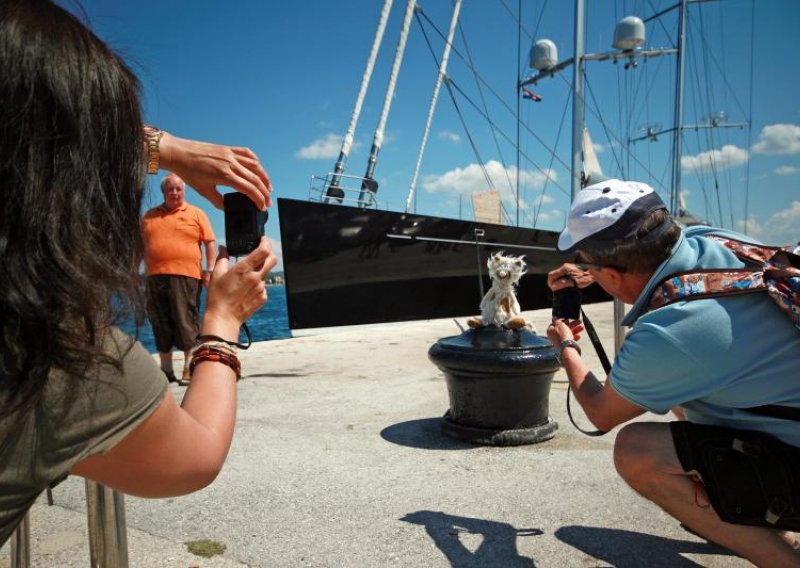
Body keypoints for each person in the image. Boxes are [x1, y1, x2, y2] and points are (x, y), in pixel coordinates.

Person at [0, 0, 276, 547]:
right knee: (170, 326)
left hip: (183, 277)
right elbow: (193, 457)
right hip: (158, 280)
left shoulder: (193, 213)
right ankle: (177, 368)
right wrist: (220, 320)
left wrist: (161, 149)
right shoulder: (52, 359)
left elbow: (204, 243)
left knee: (173, 318)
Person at [545, 178, 800, 566]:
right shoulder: (710, 240)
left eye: (590, 265)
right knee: (679, 391)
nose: (586, 271)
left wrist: (566, 346)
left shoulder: (670, 333)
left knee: (637, 451)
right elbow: (649, 276)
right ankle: (760, 518)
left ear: (612, 276)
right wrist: (595, 274)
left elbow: (601, 412)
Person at [143, 174, 218, 385]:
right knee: (160, 323)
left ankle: (189, 368)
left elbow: (210, 243)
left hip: (186, 275)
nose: (175, 192)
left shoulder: (197, 214)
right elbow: (140, 245)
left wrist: (209, 270)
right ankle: (166, 370)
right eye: (170, 189)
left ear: (184, 191)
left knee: (186, 321)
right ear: (164, 192)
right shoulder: (149, 216)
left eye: (178, 189)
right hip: (154, 276)